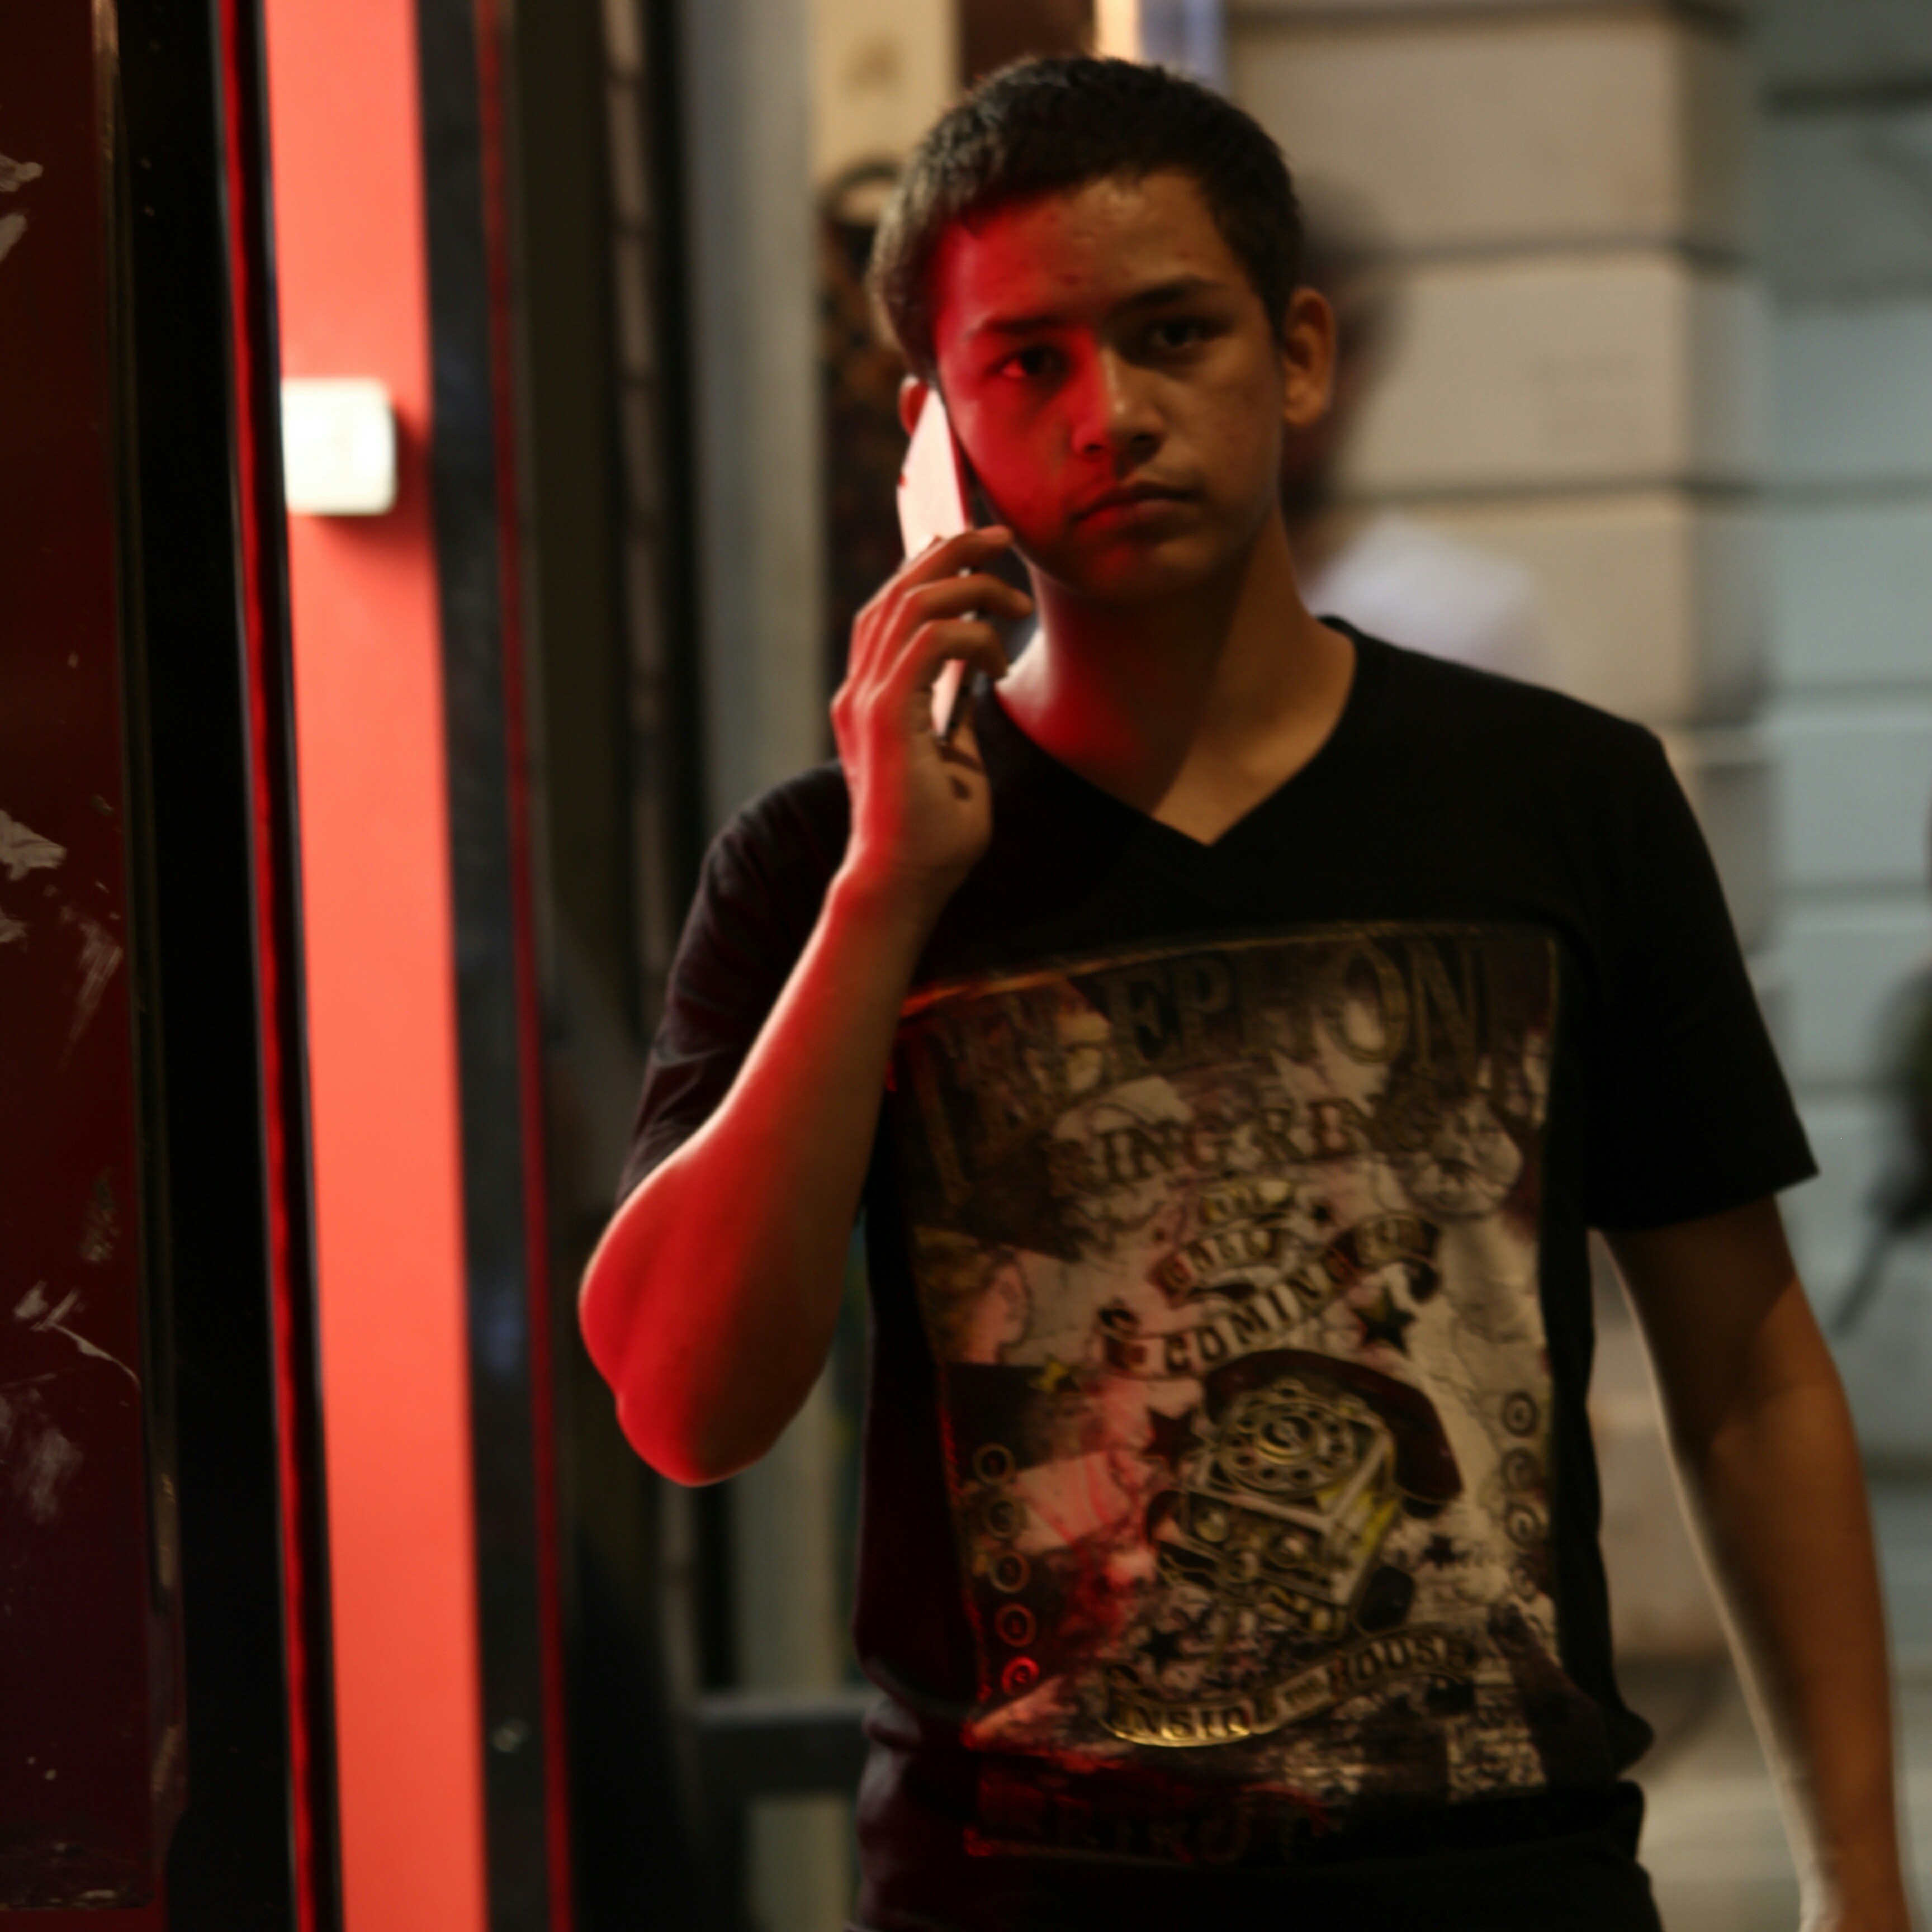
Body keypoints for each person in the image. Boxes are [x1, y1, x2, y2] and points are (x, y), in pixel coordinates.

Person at [580, 56, 1909, 1932]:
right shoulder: (824, 866)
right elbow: (685, 1406)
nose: (1110, 415)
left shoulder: (1564, 799)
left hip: (1496, 1882)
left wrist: (1859, 1886)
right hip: (1014, 1898)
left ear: (1295, 355)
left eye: (1171, 335)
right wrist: (884, 897)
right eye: (1025, 363)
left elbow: (1748, 1375)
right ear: (933, 436)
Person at [1280, 188, 1549, 681]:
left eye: (1340, 347)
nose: (1310, 387)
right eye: (1284, 350)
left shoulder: (1464, 611)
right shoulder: (1163, 604)